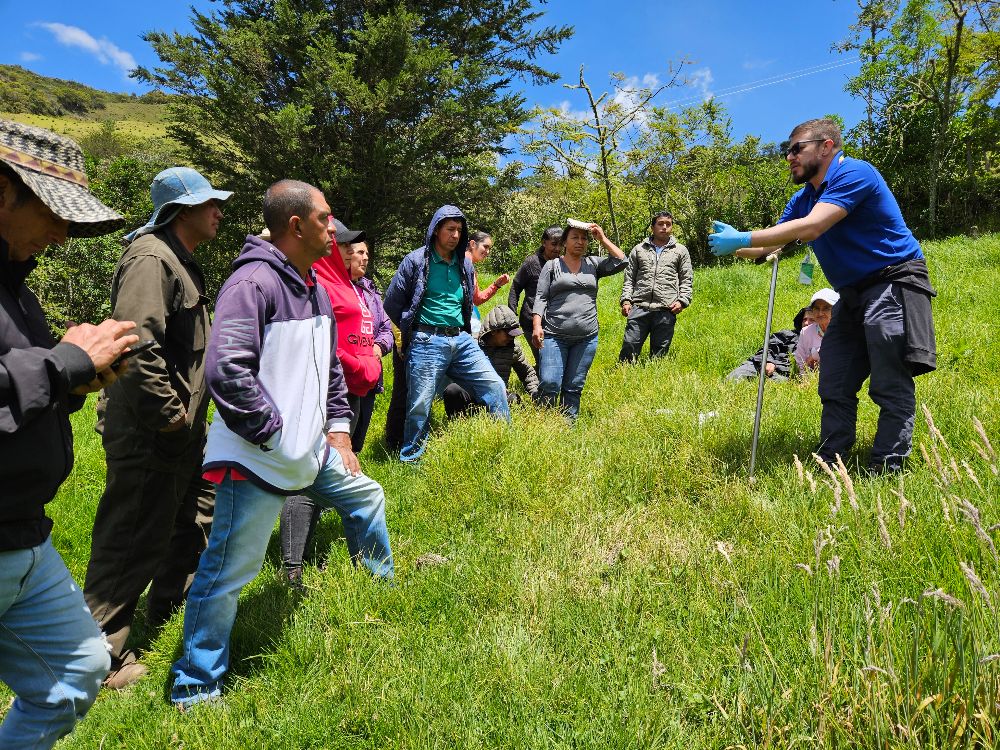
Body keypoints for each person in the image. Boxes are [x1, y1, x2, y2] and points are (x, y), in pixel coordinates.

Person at [170, 180, 393, 710]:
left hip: (307, 449)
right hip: (256, 455)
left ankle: (377, 591)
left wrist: (337, 429)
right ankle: (195, 687)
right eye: (325, 218)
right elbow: (227, 371)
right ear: (297, 225)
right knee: (228, 573)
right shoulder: (252, 283)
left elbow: (328, 366)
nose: (333, 228)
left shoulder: (312, 282)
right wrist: (275, 433)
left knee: (366, 497)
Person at [0, 118, 138, 748]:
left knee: (79, 669)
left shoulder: (17, 291)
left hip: (25, 535)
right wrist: (61, 364)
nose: (61, 234)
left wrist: (74, 386)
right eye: (52, 212)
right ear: (4, 191)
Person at [709, 117, 936, 474]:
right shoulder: (804, 198)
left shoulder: (855, 173)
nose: (789, 157)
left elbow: (814, 226)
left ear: (826, 146)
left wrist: (744, 237)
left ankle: (888, 468)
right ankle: (832, 462)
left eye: (797, 148)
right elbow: (773, 242)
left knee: (889, 381)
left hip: (893, 281)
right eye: (787, 150)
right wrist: (732, 242)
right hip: (851, 293)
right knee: (835, 378)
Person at [83, 167, 230, 690]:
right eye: (210, 203)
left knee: (191, 520)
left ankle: (168, 610)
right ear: (182, 210)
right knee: (131, 537)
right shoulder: (151, 258)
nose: (219, 211)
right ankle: (99, 657)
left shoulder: (180, 260)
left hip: (185, 432)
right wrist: (171, 416)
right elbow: (137, 346)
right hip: (154, 429)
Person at [279, 219, 387, 589]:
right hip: (325, 391)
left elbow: (380, 327)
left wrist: (372, 360)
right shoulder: (318, 283)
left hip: (355, 389)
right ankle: (292, 565)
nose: (355, 253)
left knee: (342, 470)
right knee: (309, 476)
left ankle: (363, 569)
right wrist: (360, 364)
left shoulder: (353, 287)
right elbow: (325, 346)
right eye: (346, 245)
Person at [383, 205, 510, 462]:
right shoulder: (416, 260)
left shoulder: (465, 263)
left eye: (459, 230)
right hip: (427, 339)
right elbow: (392, 303)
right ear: (436, 230)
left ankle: (503, 445)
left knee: (495, 385)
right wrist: (411, 331)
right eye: (450, 229)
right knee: (419, 404)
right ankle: (411, 459)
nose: (455, 235)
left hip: (461, 339)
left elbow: (470, 300)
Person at [532, 222, 626, 420]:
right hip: (554, 336)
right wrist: (537, 326)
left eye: (584, 238)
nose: (580, 242)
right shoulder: (552, 266)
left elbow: (622, 260)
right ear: (564, 242)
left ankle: (568, 426)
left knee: (574, 386)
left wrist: (602, 238)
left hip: (586, 337)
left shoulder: (593, 264)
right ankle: (545, 425)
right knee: (550, 383)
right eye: (575, 237)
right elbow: (540, 297)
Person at [618, 211, 693, 363]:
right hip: (639, 307)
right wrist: (626, 300)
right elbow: (629, 278)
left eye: (668, 224)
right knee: (629, 346)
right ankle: (622, 375)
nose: (664, 227)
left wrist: (682, 301)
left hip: (666, 308)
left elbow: (687, 279)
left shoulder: (680, 250)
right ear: (652, 227)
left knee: (659, 355)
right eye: (660, 224)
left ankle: (654, 378)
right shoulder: (639, 249)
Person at [442, 304, 539, 417]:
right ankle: (458, 423)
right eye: (508, 334)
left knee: (514, 400)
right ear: (494, 331)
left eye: (514, 336)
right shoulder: (471, 345)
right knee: (452, 390)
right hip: (473, 393)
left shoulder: (513, 349)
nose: (511, 338)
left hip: (499, 395)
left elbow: (528, 374)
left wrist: (536, 396)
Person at [508, 225, 562, 364]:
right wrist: (511, 315)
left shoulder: (562, 263)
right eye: (554, 244)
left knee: (554, 360)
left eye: (561, 244)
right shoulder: (531, 263)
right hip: (531, 320)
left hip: (555, 321)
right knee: (544, 360)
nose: (557, 248)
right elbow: (516, 287)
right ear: (544, 242)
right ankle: (538, 383)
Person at [726, 307, 809, 382]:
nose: (806, 323)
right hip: (760, 365)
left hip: (784, 377)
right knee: (733, 378)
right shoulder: (788, 334)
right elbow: (769, 347)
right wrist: (768, 361)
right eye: (804, 319)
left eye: (811, 320)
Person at [466, 230, 510, 336]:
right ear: (472, 244)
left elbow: (476, 299)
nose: (488, 252)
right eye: (485, 247)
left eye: (489, 248)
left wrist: (496, 285)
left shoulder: (470, 267)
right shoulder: (463, 263)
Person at [795, 288, 839, 373]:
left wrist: (817, 354)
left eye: (826, 308)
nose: (820, 313)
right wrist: (805, 379)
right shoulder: (806, 332)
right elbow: (800, 361)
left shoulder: (845, 331)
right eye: (817, 308)